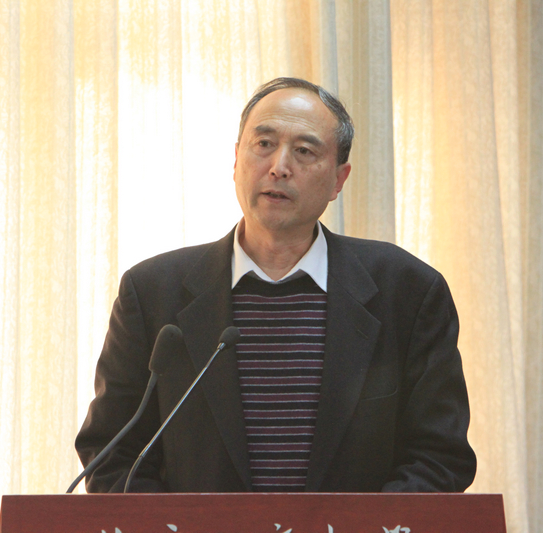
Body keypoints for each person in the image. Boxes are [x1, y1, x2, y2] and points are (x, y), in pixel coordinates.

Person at [75, 77, 477, 493]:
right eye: (264, 144)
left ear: (339, 179)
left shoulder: (408, 292)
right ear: (236, 160)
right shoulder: (151, 293)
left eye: (304, 151)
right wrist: (184, 523)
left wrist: (361, 524)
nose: (279, 166)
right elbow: (111, 454)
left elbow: (439, 457)